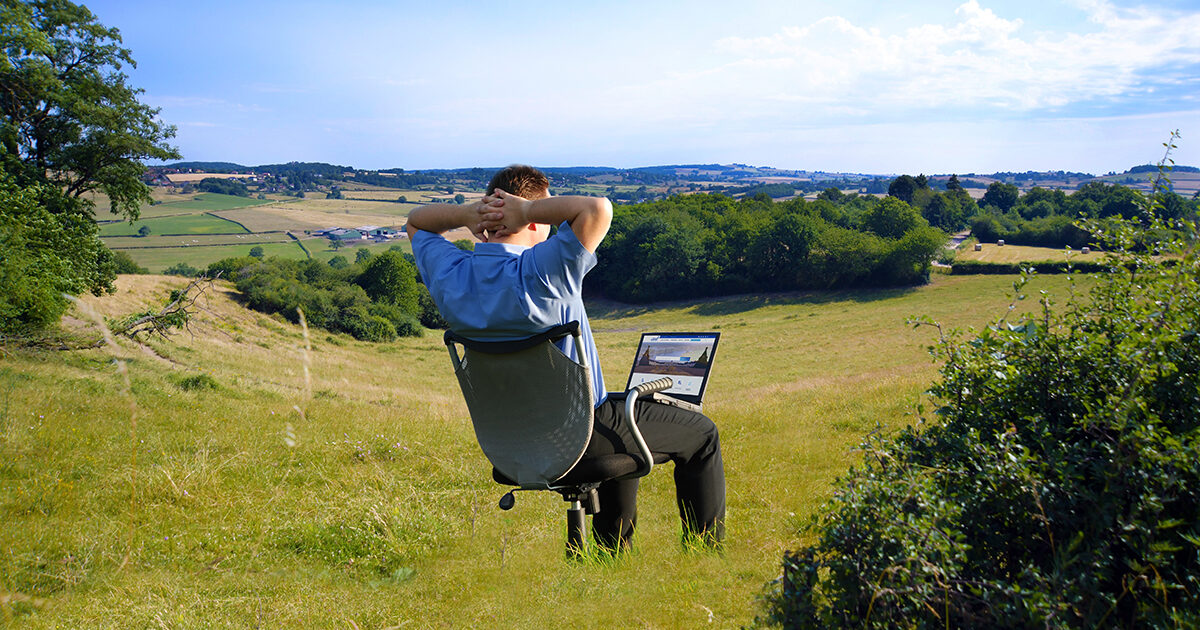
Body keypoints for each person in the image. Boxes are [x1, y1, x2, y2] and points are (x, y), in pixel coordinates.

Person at [406, 165, 725, 550]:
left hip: (511, 444)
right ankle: (707, 552)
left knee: (625, 414)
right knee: (703, 433)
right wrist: (526, 211)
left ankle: (611, 558)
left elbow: (416, 224)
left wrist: (466, 215)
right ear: (536, 220)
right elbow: (598, 209)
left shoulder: (453, 276)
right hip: (582, 433)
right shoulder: (544, 272)